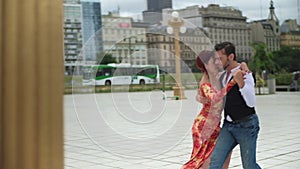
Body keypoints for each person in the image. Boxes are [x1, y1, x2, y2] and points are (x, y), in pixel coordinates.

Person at [209, 42, 261, 169]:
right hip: (228, 126)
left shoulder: (245, 74)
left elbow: (251, 103)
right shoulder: (222, 76)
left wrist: (240, 82)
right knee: (215, 163)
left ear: (231, 57)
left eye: (220, 59)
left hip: (246, 125)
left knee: (249, 166)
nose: (217, 62)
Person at [181, 51, 236, 169]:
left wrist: (243, 67)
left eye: (217, 59)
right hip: (203, 127)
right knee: (198, 161)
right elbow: (215, 98)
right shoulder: (205, 82)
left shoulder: (217, 77)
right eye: (213, 61)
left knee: (221, 155)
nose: (217, 62)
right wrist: (232, 82)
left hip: (214, 126)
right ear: (206, 65)